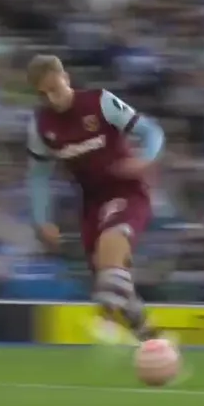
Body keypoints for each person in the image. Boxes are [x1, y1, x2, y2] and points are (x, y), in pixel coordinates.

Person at [24, 55, 168, 345]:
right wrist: (42, 220)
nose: (52, 98)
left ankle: (105, 317)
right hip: (91, 203)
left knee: (111, 248)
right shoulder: (41, 126)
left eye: (55, 89)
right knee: (110, 273)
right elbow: (38, 176)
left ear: (66, 78)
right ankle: (151, 339)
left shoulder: (100, 102)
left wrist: (144, 160)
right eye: (44, 93)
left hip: (127, 190)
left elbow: (151, 132)